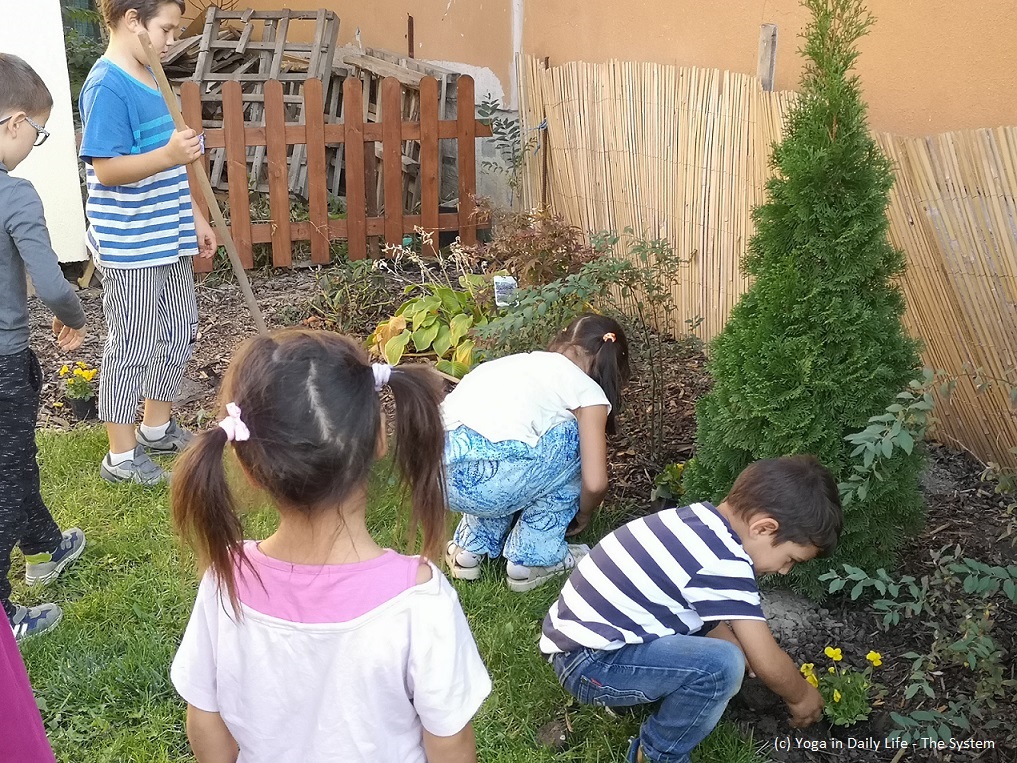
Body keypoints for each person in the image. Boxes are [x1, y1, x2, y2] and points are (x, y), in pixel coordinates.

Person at [169, 329, 491, 762]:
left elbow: (204, 718)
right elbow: (450, 743)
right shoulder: (419, 600)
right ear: (380, 438)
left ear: (248, 467)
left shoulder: (227, 578)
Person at [541, 455, 843, 763]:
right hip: (593, 665)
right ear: (764, 528)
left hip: (580, 647)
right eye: (791, 559)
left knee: (723, 652)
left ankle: (631, 695)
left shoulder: (696, 523)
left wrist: (737, 645)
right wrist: (801, 696)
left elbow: (698, 616)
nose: (785, 570)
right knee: (721, 667)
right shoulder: (725, 562)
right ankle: (659, 753)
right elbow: (767, 660)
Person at [78, 0, 216, 485]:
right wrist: (169, 154)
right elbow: (107, 170)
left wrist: (195, 217)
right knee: (132, 344)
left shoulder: (151, 75)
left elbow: (171, 169)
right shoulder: (107, 85)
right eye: (167, 29)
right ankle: (120, 458)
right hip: (131, 242)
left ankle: (156, 428)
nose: (172, 41)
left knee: (178, 331)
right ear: (133, 20)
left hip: (168, 233)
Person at [443, 313, 630, 592]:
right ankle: (534, 557)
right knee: (574, 439)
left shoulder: (515, 364)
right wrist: (584, 513)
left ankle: (469, 548)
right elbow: (595, 483)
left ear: (563, 338)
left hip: (437, 475)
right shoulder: (587, 392)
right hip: (496, 480)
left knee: (508, 441)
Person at [0, 53, 87, 640]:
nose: (37, 142)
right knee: (5, 479)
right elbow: (52, 283)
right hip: (5, 364)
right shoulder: (16, 194)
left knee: (14, 459)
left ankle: (43, 546)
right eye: (39, 130)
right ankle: (4, 615)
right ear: (13, 123)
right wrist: (73, 317)